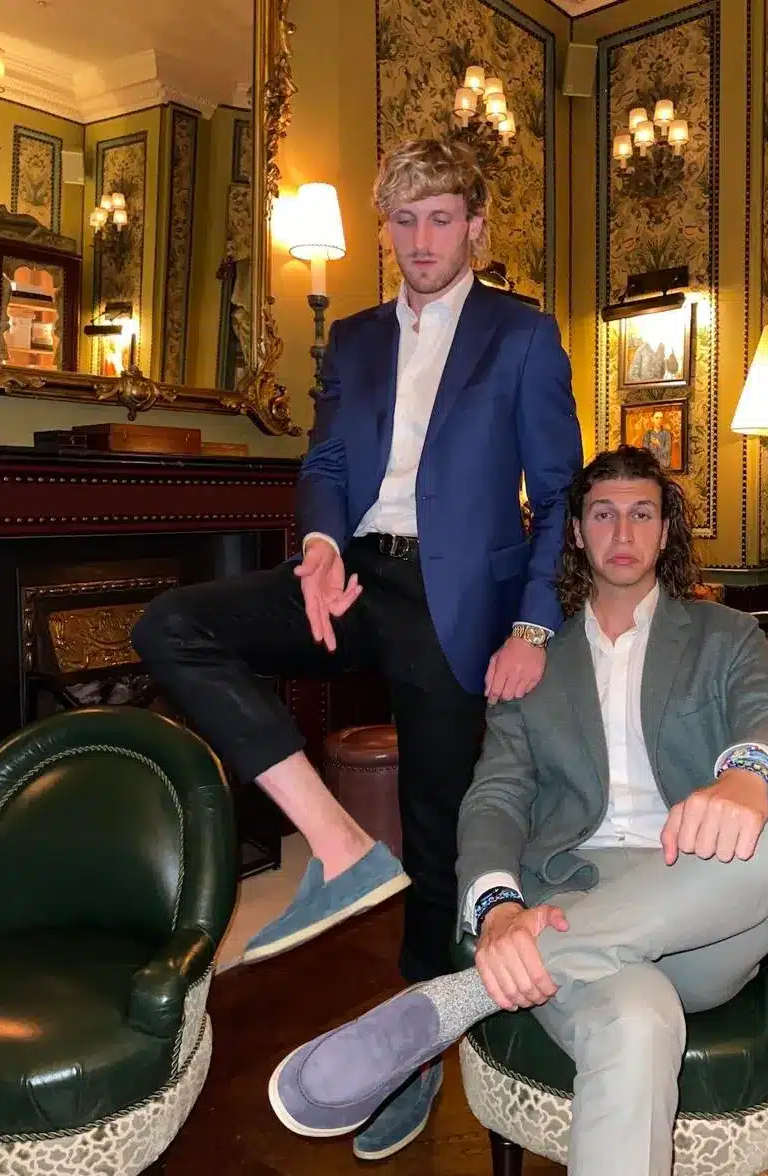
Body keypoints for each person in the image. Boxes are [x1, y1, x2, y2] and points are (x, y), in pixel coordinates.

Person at [133, 138, 582, 1158]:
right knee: (174, 623)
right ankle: (334, 843)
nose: (419, 240)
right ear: (385, 229)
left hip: (452, 596)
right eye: (403, 220)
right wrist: (323, 546)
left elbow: (558, 494)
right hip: (354, 575)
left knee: (437, 837)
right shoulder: (357, 340)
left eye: (438, 219)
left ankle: (411, 1061)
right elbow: (328, 459)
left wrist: (529, 624)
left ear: (472, 225)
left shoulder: (521, 336)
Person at [265, 445, 768, 1176]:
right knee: (634, 1024)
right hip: (572, 901)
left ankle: (456, 999)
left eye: (641, 514)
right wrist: (499, 907)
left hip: (708, 906)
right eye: (602, 515)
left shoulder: (724, 637)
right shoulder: (530, 666)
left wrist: (746, 778)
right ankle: (507, 970)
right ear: (575, 533)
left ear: (665, 533)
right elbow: (494, 799)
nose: (622, 535)